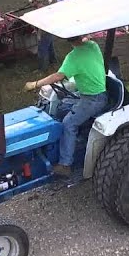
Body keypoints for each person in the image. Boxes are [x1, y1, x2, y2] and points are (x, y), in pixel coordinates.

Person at [25, 34, 107, 179]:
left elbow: (57, 76)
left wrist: (35, 84)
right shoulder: (93, 46)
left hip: (93, 99)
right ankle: (68, 145)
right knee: (61, 106)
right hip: (93, 95)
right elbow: (87, 40)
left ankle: (65, 164)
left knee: (68, 123)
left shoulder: (73, 57)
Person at [27, 0, 55, 71]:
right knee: (50, 47)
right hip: (49, 31)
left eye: (32, 2)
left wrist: (39, 35)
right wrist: (35, 30)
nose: (31, 4)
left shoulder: (39, 11)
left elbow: (42, 24)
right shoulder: (44, 8)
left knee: (41, 51)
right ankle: (53, 61)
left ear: (36, 2)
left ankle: (42, 69)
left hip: (44, 33)